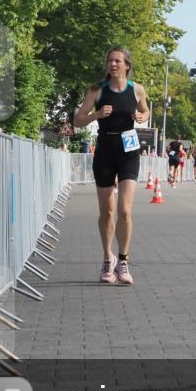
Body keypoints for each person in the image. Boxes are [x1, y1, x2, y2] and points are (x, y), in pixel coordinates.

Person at [73, 46, 149, 285]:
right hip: (105, 150)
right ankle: (108, 258)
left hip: (128, 151)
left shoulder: (136, 89)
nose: (113, 64)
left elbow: (145, 110)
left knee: (125, 210)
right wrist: (96, 115)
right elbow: (77, 119)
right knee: (107, 211)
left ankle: (124, 261)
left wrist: (142, 117)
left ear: (127, 65)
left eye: (118, 61)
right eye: (110, 61)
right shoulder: (97, 91)